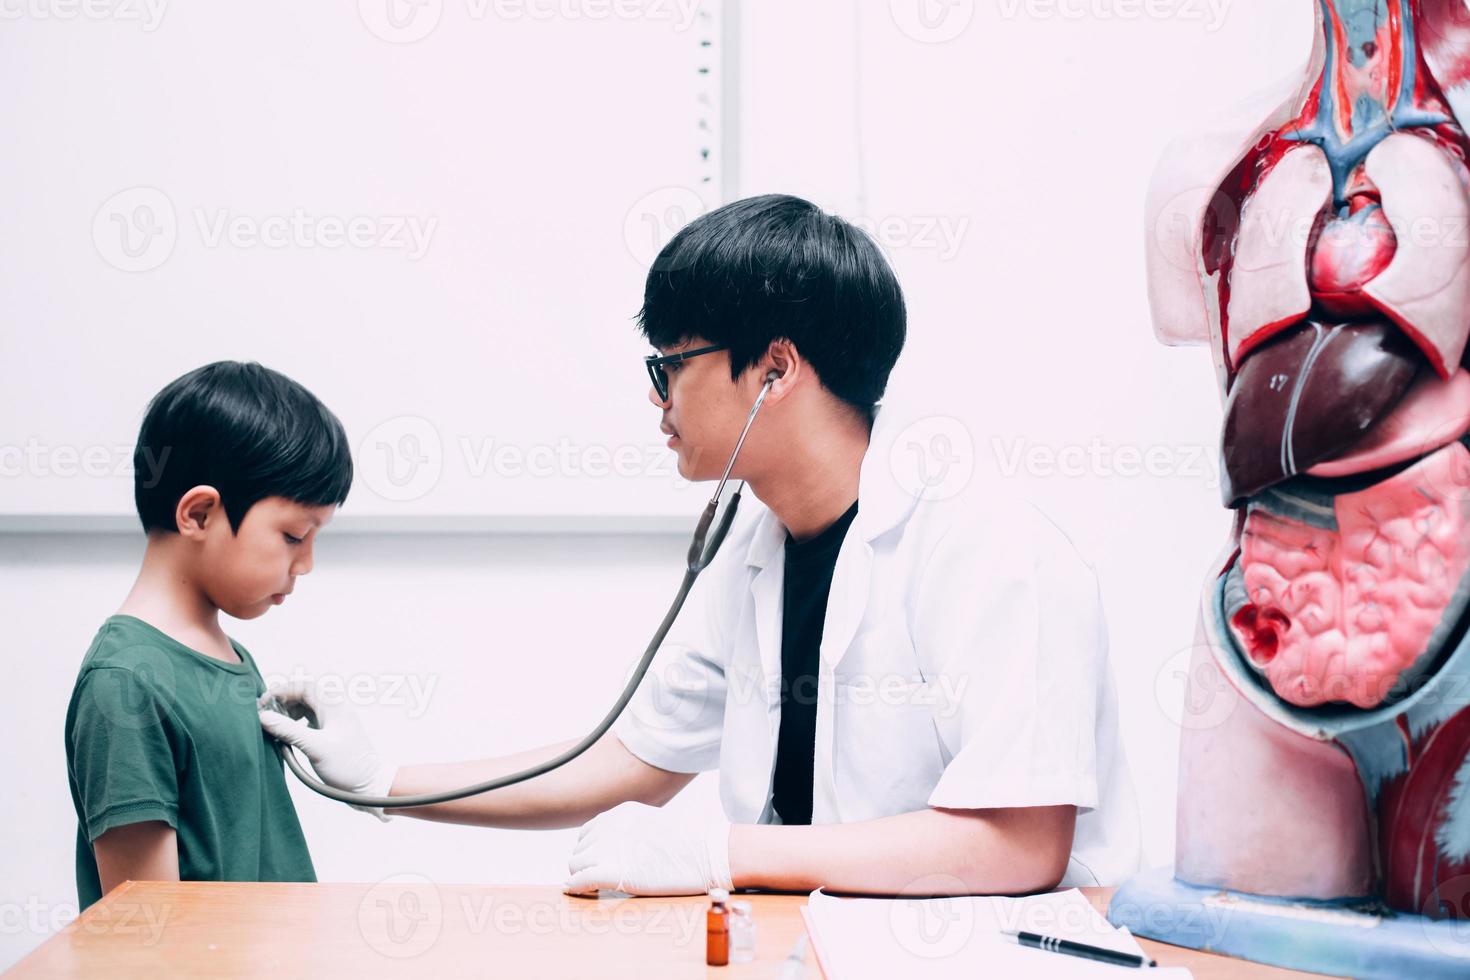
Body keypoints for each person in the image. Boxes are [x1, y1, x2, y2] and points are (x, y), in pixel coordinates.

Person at [261, 194, 1141, 896]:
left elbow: (1019, 845)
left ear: (775, 369)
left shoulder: (988, 546)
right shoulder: (754, 554)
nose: (658, 399)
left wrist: (724, 855)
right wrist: (384, 781)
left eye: (670, 364)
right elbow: (627, 763)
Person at [65, 361, 352, 909]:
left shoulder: (232, 657)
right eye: (294, 535)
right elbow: (145, 935)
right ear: (199, 514)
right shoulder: (124, 683)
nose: (307, 563)